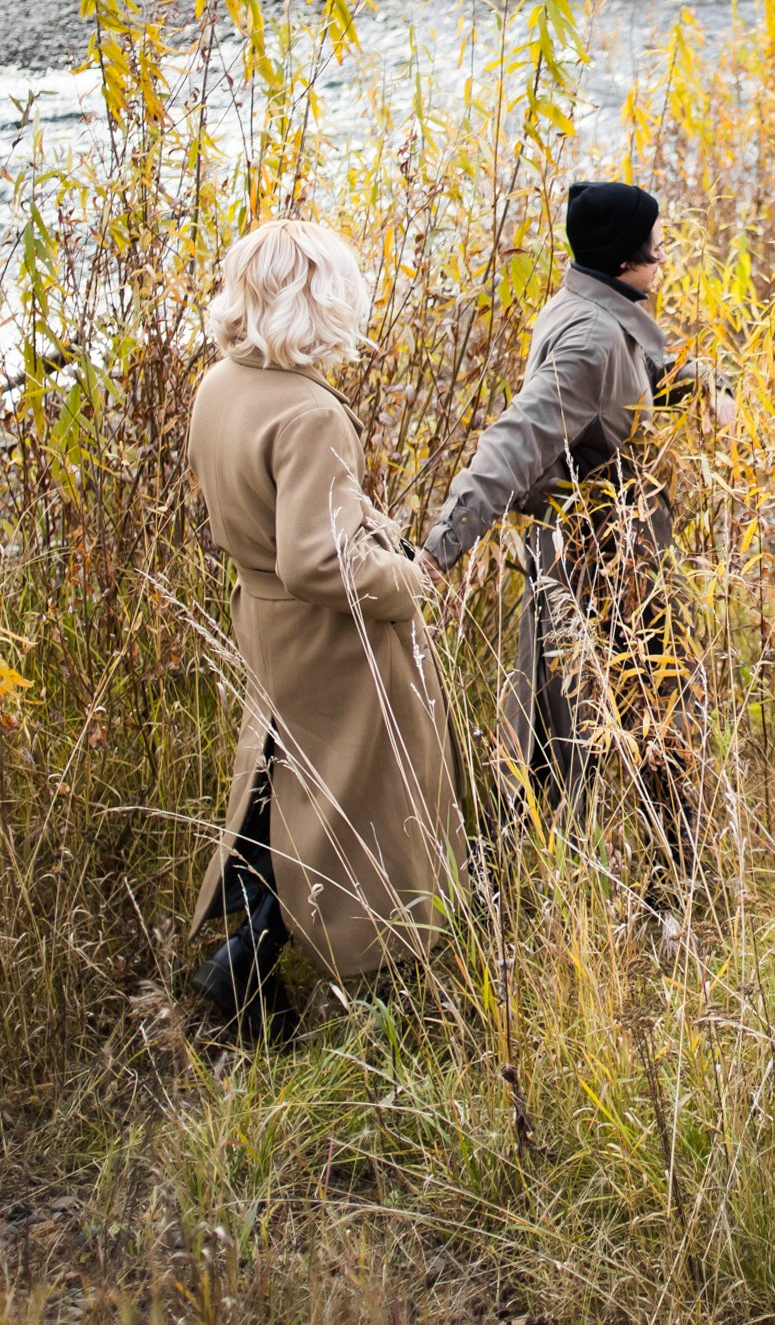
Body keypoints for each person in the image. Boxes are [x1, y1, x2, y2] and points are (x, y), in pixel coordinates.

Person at [185, 219, 465, 1041]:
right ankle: (367, 964)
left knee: (283, 783)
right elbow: (316, 559)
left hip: (265, 621)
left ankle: (244, 962)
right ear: (318, 301)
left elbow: (273, 523)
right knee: (351, 799)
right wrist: (407, 581)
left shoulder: (220, 386)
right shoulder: (310, 412)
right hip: (327, 637)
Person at [418, 181, 729, 907]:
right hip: (602, 566)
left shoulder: (586, 302)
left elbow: (643, 367)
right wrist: (438, 552)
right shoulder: (589, 339)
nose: (662, 250)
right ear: (625, 257)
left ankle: (504, 889)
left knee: (552, 737)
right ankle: (671, 894)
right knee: (645, 720)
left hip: (590, 554)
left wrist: (705, 382)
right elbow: (510, 446)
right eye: (654, 240)